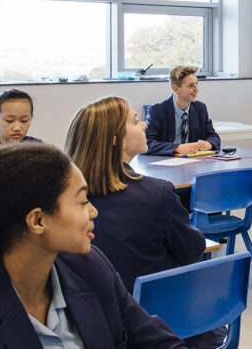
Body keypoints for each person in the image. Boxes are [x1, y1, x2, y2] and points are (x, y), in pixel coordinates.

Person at [0, 142, 186, 348]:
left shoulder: (88, 264)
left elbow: (155, 341)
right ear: (38, 220)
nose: (93, 212)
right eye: (82, 202)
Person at [66, 96, 218, 348]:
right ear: (117, 140)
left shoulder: (67, 204)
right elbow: (192, 249)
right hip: (158, 324)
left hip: (93, 326)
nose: (145, 126)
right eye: (136, 121)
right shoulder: (157, 194)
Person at [145, 65, 220, 156]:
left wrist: (209, 143)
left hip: (194, 162)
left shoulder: (200, 108)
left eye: (197, 83)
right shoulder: (157, 110)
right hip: (166, 164)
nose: (197, 89)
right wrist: (177, 148)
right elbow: (147, 143)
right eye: (191, 86)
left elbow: (213, 136)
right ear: (176, 89)